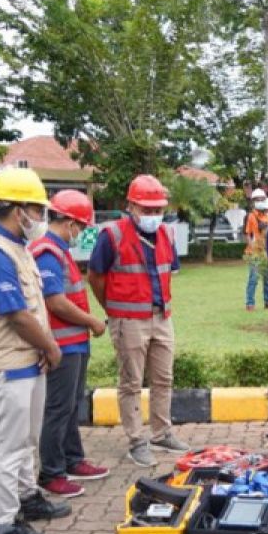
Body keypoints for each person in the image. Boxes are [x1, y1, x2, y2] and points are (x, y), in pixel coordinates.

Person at [0, 168, 69, 534]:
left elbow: (32, 310)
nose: (41, 218)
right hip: (5, 364)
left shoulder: (16, 247)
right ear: (19, 209)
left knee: (27, 440)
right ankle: (5, 524)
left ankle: (27, 497)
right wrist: (52, 347)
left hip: (27, 360)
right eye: (38, 211)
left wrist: (41, 347)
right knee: (8, 447)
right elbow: (16, 314)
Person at [88, 174, 190, 468]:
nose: (153, 216)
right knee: (131, 382)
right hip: (128, 319)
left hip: (161, 317)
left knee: (163, 378)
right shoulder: (112, 235)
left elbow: (168, 271)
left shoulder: (167, 235)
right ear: (131, 206)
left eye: (158, 210)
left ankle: (161, 433)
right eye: (147, 210)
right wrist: (112, 308)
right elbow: (95, 276)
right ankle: (136, 440)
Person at [30, 190, 111, 498]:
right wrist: (91, 321)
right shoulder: (48, 251)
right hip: (62, 344)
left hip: (74, 342)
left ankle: (73, 459)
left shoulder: (58, 249)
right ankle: (51, 473)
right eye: (81, 226)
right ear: (71, 223)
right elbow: (55, 302)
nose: (81, 233)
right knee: (58, 408)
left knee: (70, 405)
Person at [243, 189, 268, 312]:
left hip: (266, 251)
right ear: (253, 201)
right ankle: (250, 303)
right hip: (254, 252)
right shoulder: (250, 216)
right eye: (257, 199)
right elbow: (247, 234)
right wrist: (252, 247)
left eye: (262, 198)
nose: (260, 201)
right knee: (254, 278)